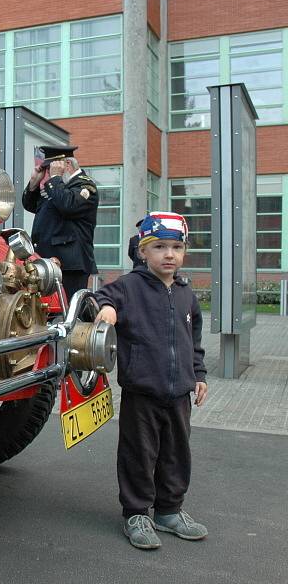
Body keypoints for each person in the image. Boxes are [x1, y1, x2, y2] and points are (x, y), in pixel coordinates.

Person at [93, 211, 209, 550]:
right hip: (141, 392)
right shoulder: (130, 287)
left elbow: (194, 341)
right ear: (143, 251)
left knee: (176, 453)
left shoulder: (186, 293)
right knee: (139, 453)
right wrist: (108, 309)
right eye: (159, 247)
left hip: (179, 395)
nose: (169, 254)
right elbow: (102, 297)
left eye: (176, 247)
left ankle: (169, 511)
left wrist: (199, 374)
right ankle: (137, 513)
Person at [21, 145, 98, 298]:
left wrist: (55, 178)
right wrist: (33, 183)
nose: (48, 174)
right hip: (46, 263)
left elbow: (67, 206)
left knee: (66, 314)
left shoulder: (85, 185)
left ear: (67, 165)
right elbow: (31, 205)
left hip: (69, 266)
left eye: (50, 169)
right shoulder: (58, 187)